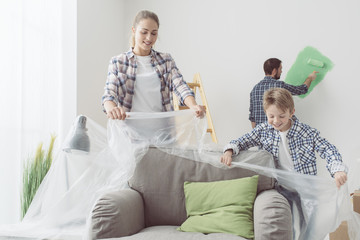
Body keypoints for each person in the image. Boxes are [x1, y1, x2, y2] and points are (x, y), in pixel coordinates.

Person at [221, 88, 348, 188]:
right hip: (278, 186)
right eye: (271, 116)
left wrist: (337, 170)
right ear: (266, 113)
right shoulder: (263, 130)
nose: (276, 121)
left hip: (305, 188)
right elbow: (242, 141)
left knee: (308, 219)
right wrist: (229, 151)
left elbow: (328, 149)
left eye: (282, 116)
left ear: (291, 112)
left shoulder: (307, 133)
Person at [102, 10, 205, 120]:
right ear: (134, 30)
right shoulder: (118, 62)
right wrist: (112, 109)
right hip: (130, 133)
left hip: (162, 133)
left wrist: (193, 105)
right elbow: (109, 94)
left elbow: (180, 86)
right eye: (144, 32)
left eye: (154, 33)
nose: (149, 38)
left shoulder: (166, 60)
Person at [249, 58, 318, 128]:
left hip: (261, 134)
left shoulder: (254, 89)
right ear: (274, 71)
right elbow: (302, 89)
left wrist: (256, 135)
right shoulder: (280, 85)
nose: (281, 71)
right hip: (278, 132)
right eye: (280, 69)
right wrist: (310, 78)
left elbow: (252, 117)